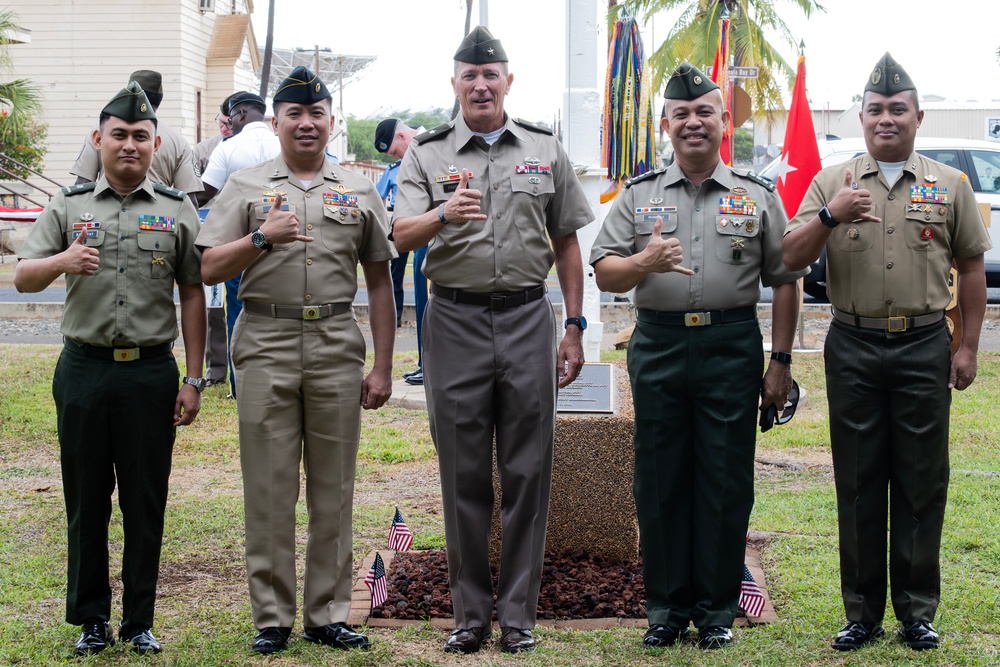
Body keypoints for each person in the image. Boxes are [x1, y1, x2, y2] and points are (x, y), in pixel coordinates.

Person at [391, 26, 591, 655]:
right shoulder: (426, 154)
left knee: (529, 469)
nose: (481, 85)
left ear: (508, 81)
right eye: (469, 76)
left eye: (491, 74)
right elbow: (400, 235)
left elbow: (567, 240)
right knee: (463, 472)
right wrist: (442, 214)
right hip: (455, 321)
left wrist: (575, 326)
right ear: (454, 84)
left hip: (529, 318)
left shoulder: (543, 147)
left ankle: (519, 616)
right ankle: (470, 615)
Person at [590, 62, 803, 651]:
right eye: (680, 114)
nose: (692, 122)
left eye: (704, 111)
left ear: (724, 120)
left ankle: (715, 612)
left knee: (725, 478)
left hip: (731, 344)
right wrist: (644, 263)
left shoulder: (756, 195)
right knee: (660, 478)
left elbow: (786, 278)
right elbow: (606, 271)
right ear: (665, 124)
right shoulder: (638, 195)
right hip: (658, 343)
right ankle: (665, 609)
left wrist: (781, 361)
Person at [783, 53, 991, 652]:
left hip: (925, 344)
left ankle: (917, 611)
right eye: (875, 109)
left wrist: (968, 347)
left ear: (918, 117)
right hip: (852, 344)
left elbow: (972, 269)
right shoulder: (832, 182)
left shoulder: (950, 185)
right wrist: (831, 216)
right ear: (862, 118)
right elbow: (790, 257)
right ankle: (862, 612)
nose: (886, 118)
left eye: (898, 109)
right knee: (857, 480)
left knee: (923, 481)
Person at [196, 66, 395, 655]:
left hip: (335, 343)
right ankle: (273, 616)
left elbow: (379, 282)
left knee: (334, 488)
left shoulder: (358, 189)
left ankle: (328, 613)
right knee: (269, 486)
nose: (306, 123)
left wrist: (383, 365)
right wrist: (262, 237)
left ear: (332, 121)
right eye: (294, 114)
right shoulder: (246, 185)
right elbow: (207, 267)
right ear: (276, 122)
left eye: (316, 114)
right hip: (266, 342)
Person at [14, 82, 206, 657]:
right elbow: (24, 276)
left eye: (140, 136)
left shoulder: (175, 207)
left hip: (150, 374)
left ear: (155, 144)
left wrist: (194, 378)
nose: (129, 145)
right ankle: (92, 619)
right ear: (98, 139)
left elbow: (192, 292)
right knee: (86, 499)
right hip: (84, 371)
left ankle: (139, 621)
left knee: (145, 501)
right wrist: (63, 260)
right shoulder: (68, 204)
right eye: (118, 134)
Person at [198, 91, 282, 397]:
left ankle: (239, 385)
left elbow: (204, 193)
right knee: (280, 313)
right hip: (283, 242)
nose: (228, 124)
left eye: (231, 117)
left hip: (241, 244)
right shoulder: (282, 144)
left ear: (241, 114)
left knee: (237, 313)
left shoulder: (228, 147)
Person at [70, 70, 203, 209]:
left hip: (106, 213)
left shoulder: (104, 132)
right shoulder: (179, 142)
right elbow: (190, 202)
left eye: (140, 137)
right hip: (158, 218)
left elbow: (83, 184)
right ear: (159, 99)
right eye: (121, 136)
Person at [374, 117, 428, 384]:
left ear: (403, 137)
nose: (396, 158)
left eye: (395, 151)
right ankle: (425, 362)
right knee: (422, 301)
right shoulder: (414, 152)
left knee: (433, 304)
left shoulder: (434, 144)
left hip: (437, 236)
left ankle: (431, 364)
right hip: (418, 234)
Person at [194, 93, 238, 388]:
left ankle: (237, 366)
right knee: (212, 306)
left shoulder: (246, 148)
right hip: (208, 230)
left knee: (238, 303)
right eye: (220, 122)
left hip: (238, 232)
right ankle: (216, 369)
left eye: (228, 123)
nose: (224, 128)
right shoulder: (204, 150)